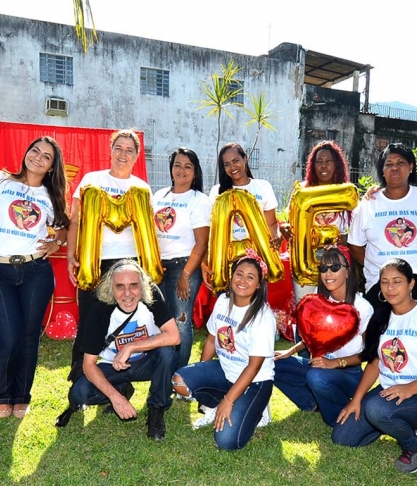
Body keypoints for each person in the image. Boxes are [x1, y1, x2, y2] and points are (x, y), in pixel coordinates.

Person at [332, 258, 417, 474]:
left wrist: (409, 388)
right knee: (343, 437)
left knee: (376, 409)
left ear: (411, 284)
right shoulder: (381, 318)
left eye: (397, 281)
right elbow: (375, 363)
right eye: (384, 282)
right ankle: (391, 421)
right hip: (389, 394)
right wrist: (356, 401)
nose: (390, 288)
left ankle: (416, 446)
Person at [0, 136, 70, 419]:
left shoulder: (50, 196)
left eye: (46, 157)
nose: (38, 158)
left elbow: (63, 227)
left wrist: (56, 243)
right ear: (26, 152)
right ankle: (2, 396)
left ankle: (21, 396)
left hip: (35, 272)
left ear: (52, 168)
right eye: (35, 151)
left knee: (29, 337)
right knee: (7, 337)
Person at [54, 260, 180, 440]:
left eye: (134, 286)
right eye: (120, 286)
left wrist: (132, 346)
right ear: (110, 288)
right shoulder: (100, 310)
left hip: (147, 362)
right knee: (79, 394)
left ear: (143, 286)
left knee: (167, 352)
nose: (127, 293)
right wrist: (115, 397)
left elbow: (174, 336)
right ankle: (121, 389)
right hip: (111, 366)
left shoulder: (151, 297)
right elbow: (89, 365)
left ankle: (156, 409)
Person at [66, 129, 151, 380]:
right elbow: (74, 221)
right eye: (119, 148)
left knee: (124, 321)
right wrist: (72, 255)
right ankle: (79, 376)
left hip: (129, 263)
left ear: (136, 155)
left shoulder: (142, 187)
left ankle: (121, 379)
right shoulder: (91, 180)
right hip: (94, 262)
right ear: (110, 151)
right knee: (90, 319)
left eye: (129, 150)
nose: (123, 154)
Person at [172, 250, 277, 450]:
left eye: (250, 277)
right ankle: (213, 405)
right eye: (239, 274)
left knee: (226, 441)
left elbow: (254, 367)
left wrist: (228, 401)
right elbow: (211, 341)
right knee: (180, 381)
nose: (243, 280)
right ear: (231, 276)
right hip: (225, 370)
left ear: (258, 284)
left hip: (255, 382)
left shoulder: (263, 317)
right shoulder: (222, 302)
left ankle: (259, 409)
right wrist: (201, 373)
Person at [272, 246, 372, 426]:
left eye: (334, 268)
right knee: (272, 361)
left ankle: (338, 417)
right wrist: (290, 351)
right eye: (323, 268)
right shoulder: (318, 301)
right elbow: (315, 337)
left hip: (348, 372)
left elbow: (370, 354)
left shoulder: (362, 307)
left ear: (348, 272)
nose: (328, 273)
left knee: (316, 377)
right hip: (320, 364)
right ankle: (312, 403)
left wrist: (335, 363)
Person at [349, 143, 417, 311]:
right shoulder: (369, 203)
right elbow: (355, 244)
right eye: (389, 164)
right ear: (382, 170)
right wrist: (377, 264)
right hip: (379, 283)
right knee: (380, 335)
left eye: (400, 162)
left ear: (411, 166)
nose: (394, 168)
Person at [151, 147, 211, 368]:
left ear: (195, 172)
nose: (182, 170)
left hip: (184, 266)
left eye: (188, 166)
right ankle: (164, 371)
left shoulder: (199, 200)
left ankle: (180, 375)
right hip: (158, 268)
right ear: (171, 168)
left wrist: (185, 275)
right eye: (177, 165)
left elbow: (202, 242)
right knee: (162, 322)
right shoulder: (159, 196)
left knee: (181, 322)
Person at [279, 141, 352, 301]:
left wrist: (347, 239)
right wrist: (285, 228)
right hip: (304, 264)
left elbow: (357, 228)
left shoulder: (344, 192)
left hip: (335, 264)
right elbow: (288, 221)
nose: (323, 166)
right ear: (313, 165)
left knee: (333, 308)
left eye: (328, 161)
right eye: (319, 162)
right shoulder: (302, 192)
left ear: (336, 164)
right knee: (305, 307)